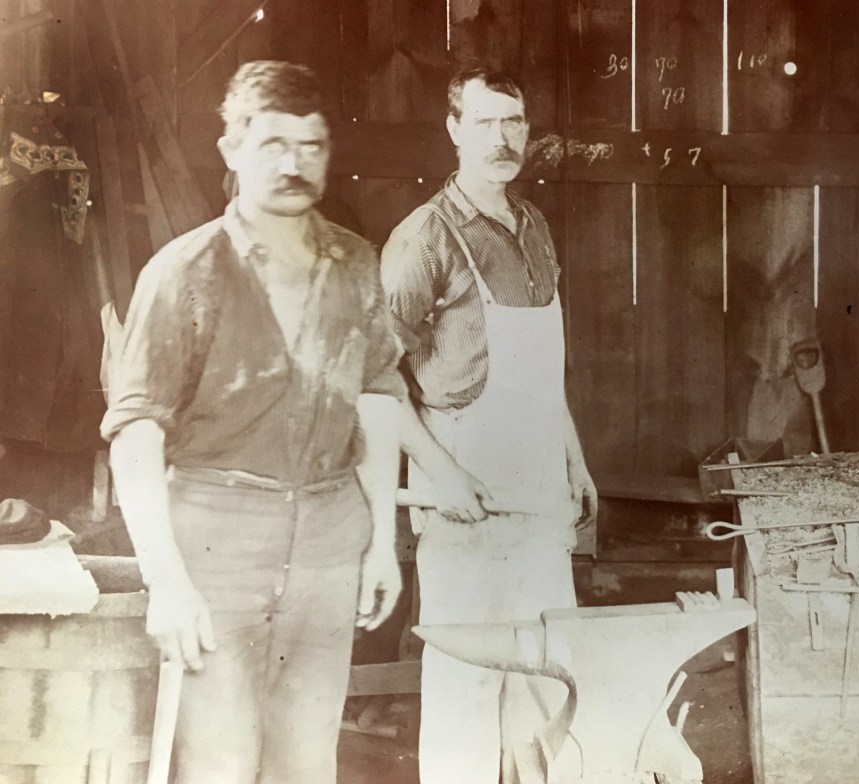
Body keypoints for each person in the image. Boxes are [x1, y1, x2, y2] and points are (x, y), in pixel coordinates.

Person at [101, 61, 405, 784]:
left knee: (308, 763)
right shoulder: (185, 271)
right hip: (217, 545)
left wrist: (384, 543)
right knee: (219, 764)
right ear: (231, 148)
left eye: (311, 145)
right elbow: (137, 435)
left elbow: (378, 398)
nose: (294, 164)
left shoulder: (356, 264)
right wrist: (167, 581)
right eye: (272, 143)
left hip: (332, 540)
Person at [381, 66, 598, 784]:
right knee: (466, 685)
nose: (504, 140)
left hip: (538, 490)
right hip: (461, 491)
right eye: (485, 123)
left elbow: (541, 373)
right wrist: (442, 475)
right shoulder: (423, 240)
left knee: (549, 677)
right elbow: (373, 381)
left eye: (515, 123)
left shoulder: (532, 227)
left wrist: (574, 459)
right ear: (453, 130)